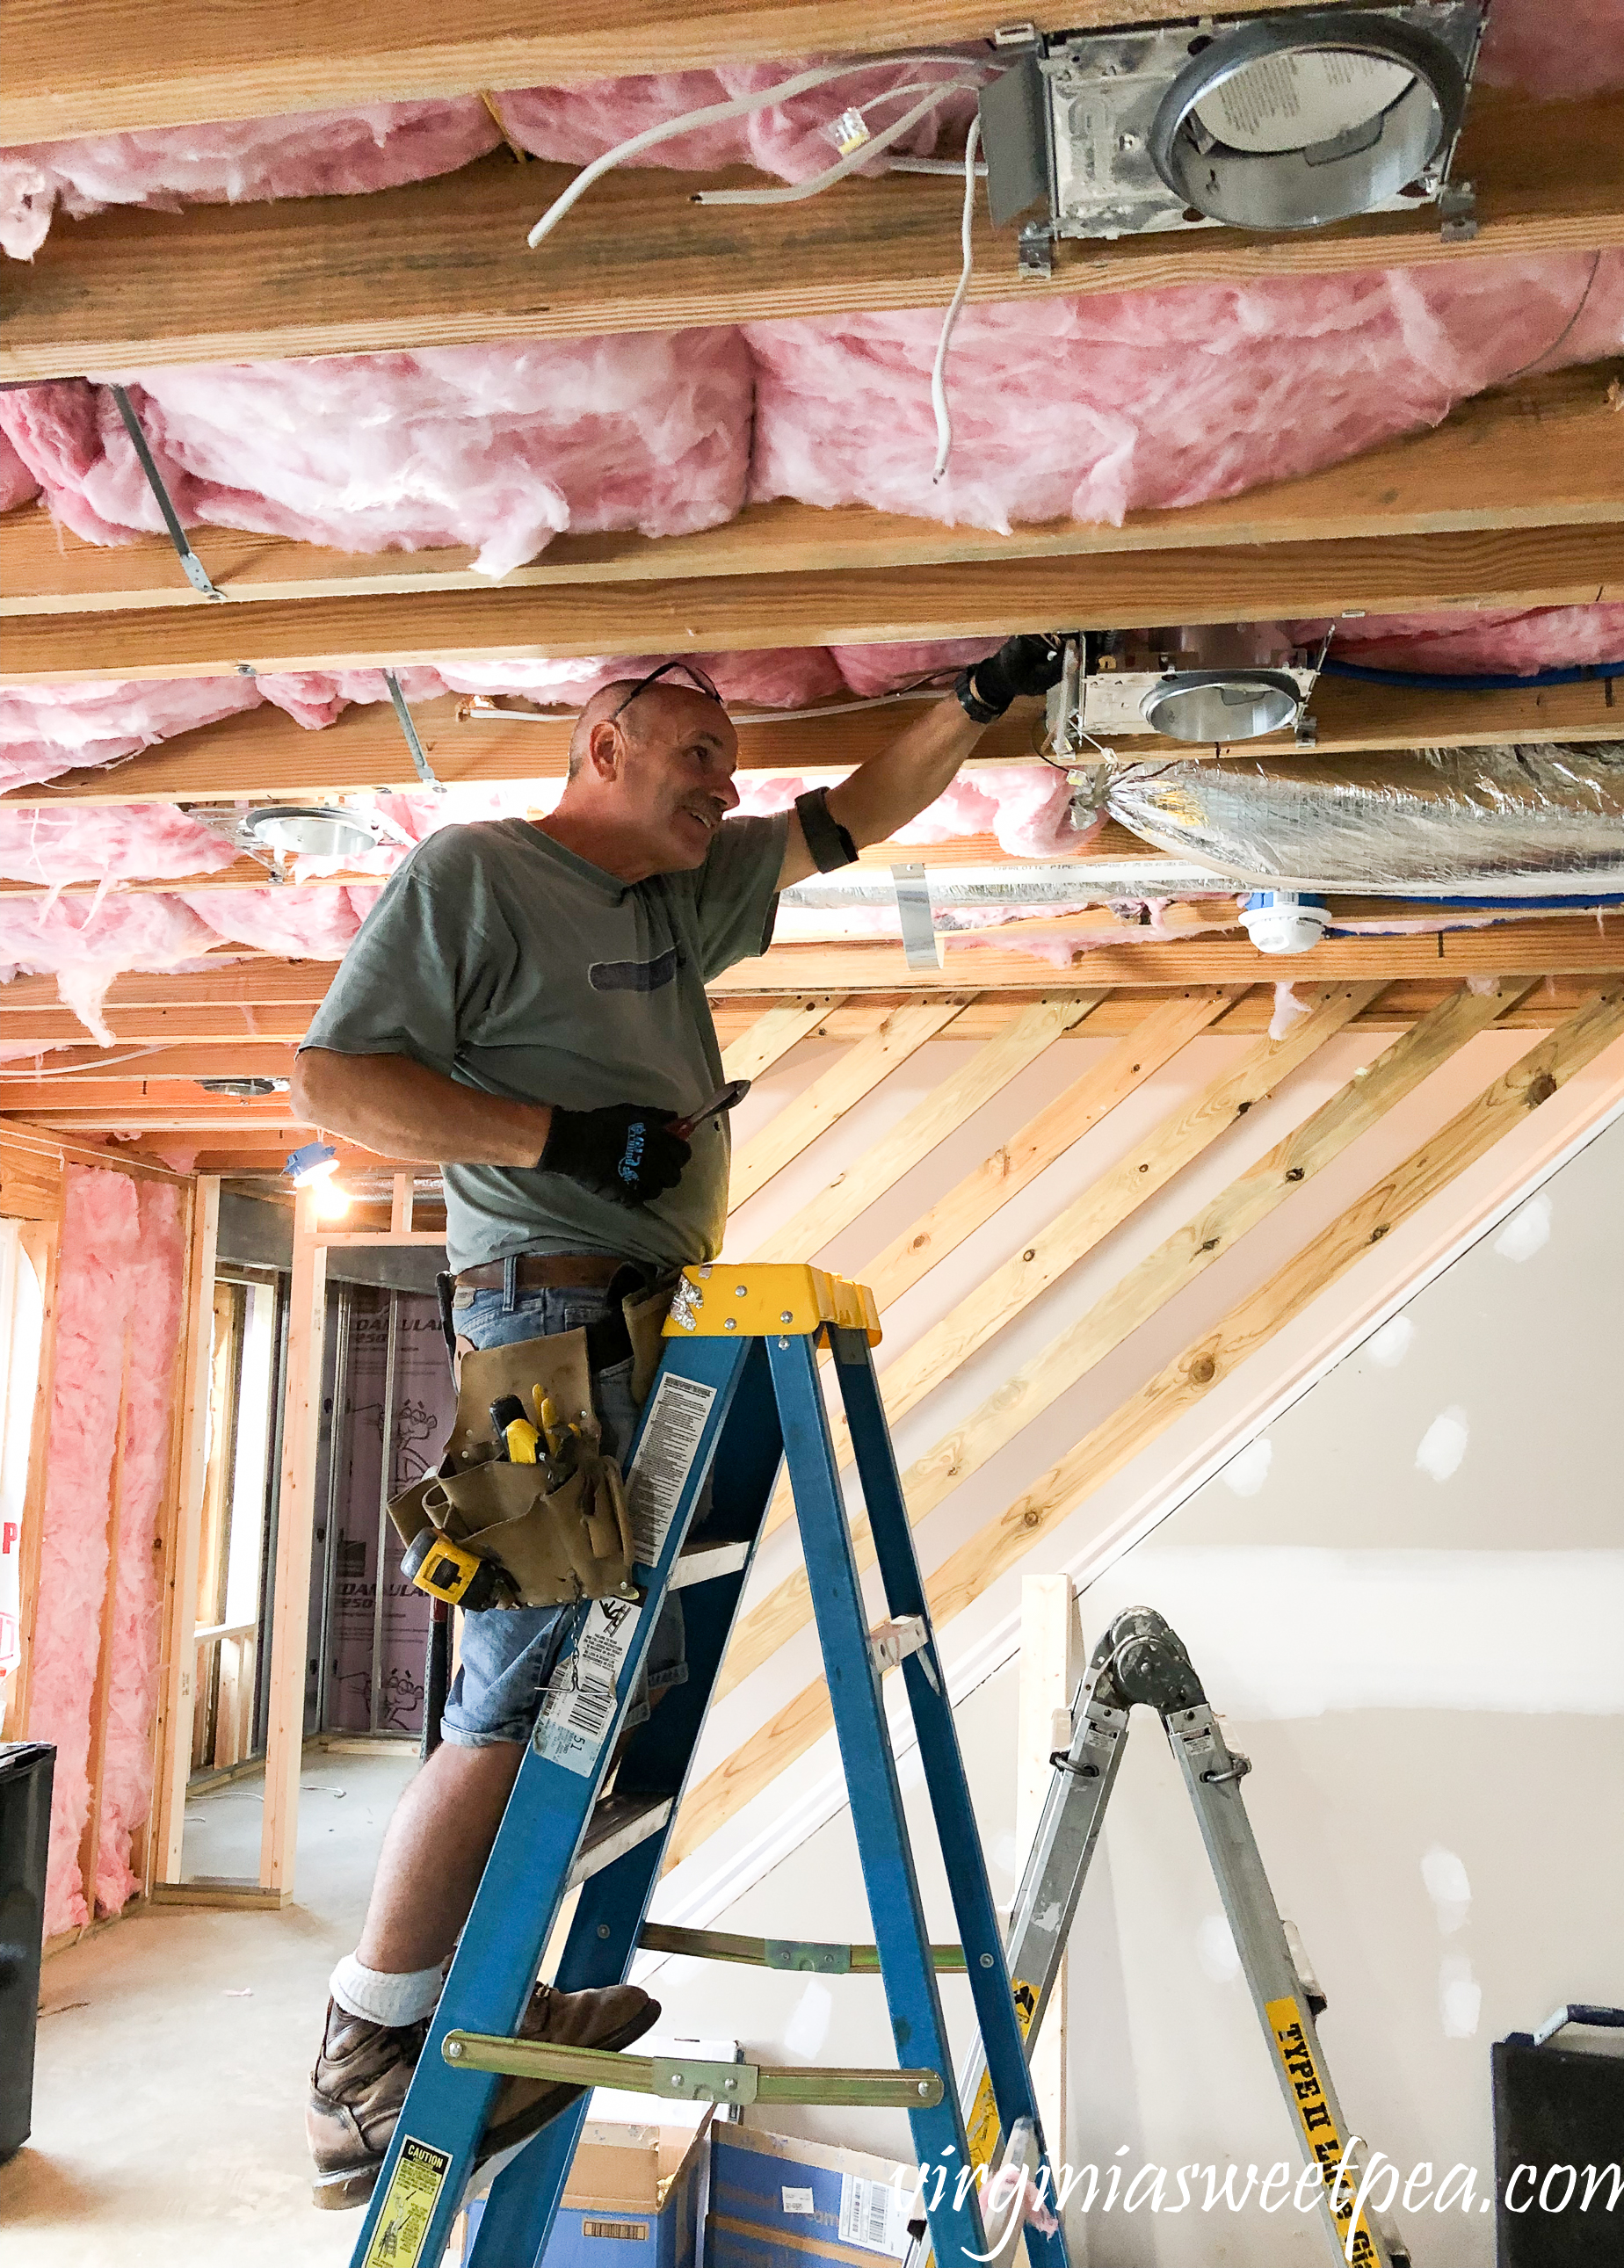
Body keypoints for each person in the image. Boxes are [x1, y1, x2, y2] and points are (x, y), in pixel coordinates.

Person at [289, 638, 1062, 2207]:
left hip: (645, 1318)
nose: (729, 781)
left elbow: (853, 816)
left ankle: (488, 2004)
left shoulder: (676, 899)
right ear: (604, 741)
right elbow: (334, 1083)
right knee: (514, 1701)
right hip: (549, 1323)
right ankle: (366, 2052)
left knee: (598, 1691)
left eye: (730, 759)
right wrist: (563, 1130)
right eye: (700, 752)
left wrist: (981, 703)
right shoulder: (481, 875)